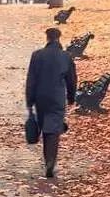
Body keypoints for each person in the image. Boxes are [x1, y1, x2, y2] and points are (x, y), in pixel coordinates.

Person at [25, 26, 77, 178]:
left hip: (41, 98)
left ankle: (48, 161)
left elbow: (31, 79)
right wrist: (71, 97)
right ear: (59, 38)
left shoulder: (37, 55)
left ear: (47, 38)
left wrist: (30, 100)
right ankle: (50, 162)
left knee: (45, 127)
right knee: (53, 130)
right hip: (57, 98)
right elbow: (71, 79)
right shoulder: (65, 56)